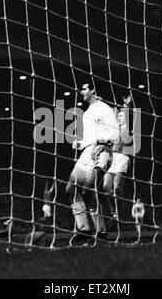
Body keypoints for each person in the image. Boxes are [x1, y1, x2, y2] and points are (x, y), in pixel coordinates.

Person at [65, 82, 119, 240]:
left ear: (93, 90)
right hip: (88, 153)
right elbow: (89, 139)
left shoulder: (104, 108)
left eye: (84, 88)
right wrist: (79, 143)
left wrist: (102, 141)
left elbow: (116, 134)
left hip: (102, 153)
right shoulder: (87, 112)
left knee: (88, 190)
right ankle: (84, 229)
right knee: (70, 188)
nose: (81, 91)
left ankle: (101, 231)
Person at [103, 97, 132, 228]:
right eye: (118, 116)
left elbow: (126, 115)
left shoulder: (126, 127)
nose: (119, 118)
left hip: (122, 157)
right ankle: (113, 213)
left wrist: (126, 105)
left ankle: (119, 214)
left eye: (122, 116)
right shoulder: (113, 128)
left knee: (117, 188)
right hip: (111, 157)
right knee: (105, 187)